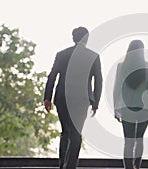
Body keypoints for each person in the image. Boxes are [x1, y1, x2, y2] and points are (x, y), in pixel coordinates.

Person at [44, 27, 102, 169]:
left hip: (62, 97)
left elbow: (52, 76)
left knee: (65, 131)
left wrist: (47, 98)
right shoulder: (93, 56)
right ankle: (70, 166)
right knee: (76, 132)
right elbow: (99, 80)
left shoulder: (61, 54)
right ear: (87, 38)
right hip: (82, 99)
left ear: (73, 38)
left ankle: (62, 164)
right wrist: (96, 102)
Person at [113, 40, 148, 169]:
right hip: (145, 107)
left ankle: (128, 167)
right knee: (139, 138)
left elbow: (117, 88)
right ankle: (136, 166)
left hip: (126, 106)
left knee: (128, 140)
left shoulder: (121, 66)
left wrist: (116, 109)